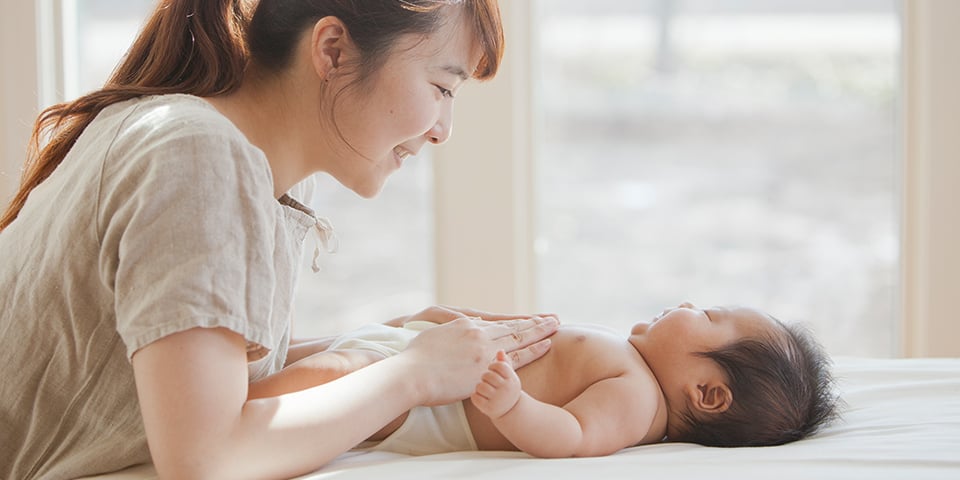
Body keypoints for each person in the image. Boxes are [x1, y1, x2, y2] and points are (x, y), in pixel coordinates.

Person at [0, 1, 560, 479]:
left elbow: (182, 378)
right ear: (333, 49)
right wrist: (412, 374)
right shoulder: (196, 155)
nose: (444, 129)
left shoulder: (194, 140)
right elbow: (206, 459)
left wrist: (387, 338)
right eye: (441, 87)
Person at [255, 302, 839, 457]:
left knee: (329, 375)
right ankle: (212, 386)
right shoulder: (629, 360)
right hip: (427, 356)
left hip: (432, 401)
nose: (689, 303)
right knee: (300, 352)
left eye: (709, 316)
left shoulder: (637, 402)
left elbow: (571, 435)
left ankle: (229, 411)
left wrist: (511, 406)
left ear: (708, 393)